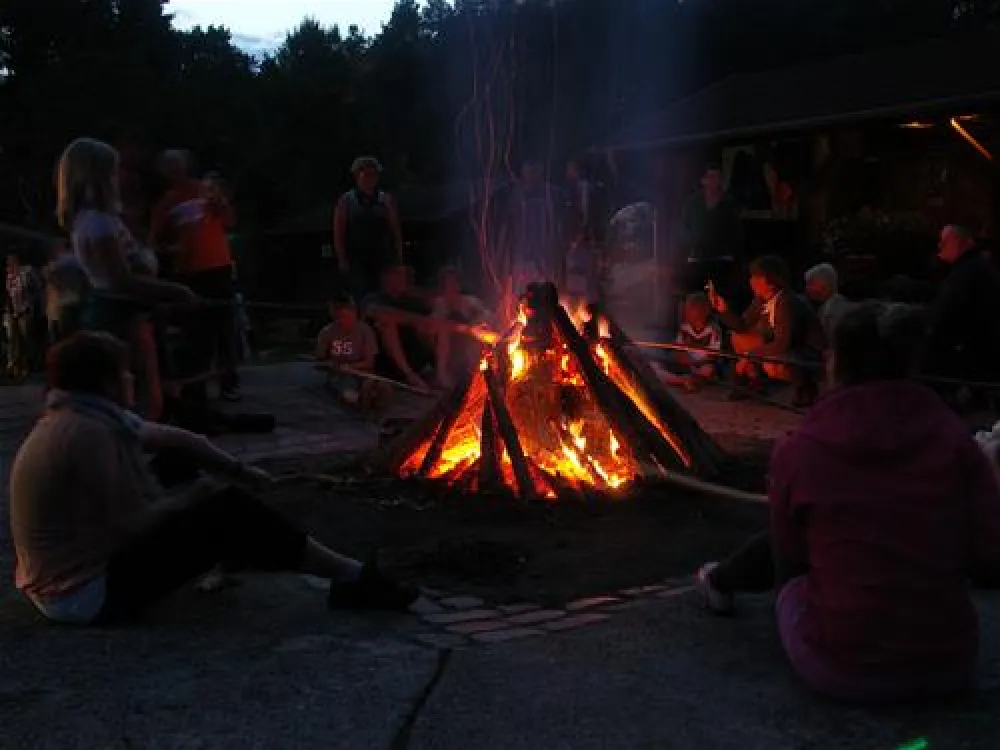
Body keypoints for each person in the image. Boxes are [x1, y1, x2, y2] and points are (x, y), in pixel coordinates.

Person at [693, 302, 1000, 704]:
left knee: (792, 550)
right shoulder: (956, 442)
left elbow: (789, 554)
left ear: (837, 364)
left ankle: (720, 581)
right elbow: (990, 556)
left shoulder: (801, 449)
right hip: (948, 664)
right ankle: (721, 578)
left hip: (840, 667)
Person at [9, 332, 418, 625]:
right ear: (105, 383)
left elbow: (179, 438)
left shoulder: (87, 415)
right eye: (125, 372)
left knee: (180, 463)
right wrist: (189, 501)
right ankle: (353, 578)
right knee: (226, 512)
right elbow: (125, 526)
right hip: (81, 594)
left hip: (78, 573)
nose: (132, 378)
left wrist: (240, 471)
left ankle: (232, 557)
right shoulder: (86, 434)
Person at [56, 138, 194, 420]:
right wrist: (176, 291)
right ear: (97, 174)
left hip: (124, 314)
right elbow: (121, 281)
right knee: (139, 398)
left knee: (145, 394)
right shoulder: (98, 222)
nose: (117, 177)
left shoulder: (96, 219)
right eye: (113, 170)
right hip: (118, 316)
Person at [151, 154, 241, 402]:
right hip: (189, 274)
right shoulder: (165, 204)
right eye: (169, 166)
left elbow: (230, 221)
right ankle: (197, 386)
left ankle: (229, 383)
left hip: (219, 268)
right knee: (197, 334)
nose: (175, 170)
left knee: (226, 328)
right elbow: (155, 243)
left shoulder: (205, 192)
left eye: (177, 164)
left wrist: (220, 204)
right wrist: (172, 250)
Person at [708, 255, 822, 407]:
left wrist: (749, 356)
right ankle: (753, 382)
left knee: (772, 364)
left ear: (771, 281)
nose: (751, 281)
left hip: (807, 353)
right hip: (787, 347)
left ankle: (805, 388)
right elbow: (742, 325)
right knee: (739, 337)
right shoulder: (762, 300)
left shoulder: (786, 302)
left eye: (756, 277)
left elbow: (783, 343)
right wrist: (723, 310)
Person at [921, 224, 1000, 391]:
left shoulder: (965, 272)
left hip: (974, 348)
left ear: (958, 242)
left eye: (944, 242)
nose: (940, 247)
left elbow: (946, 313)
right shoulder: (976, 266)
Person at [333, 157, 404, 301]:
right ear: (357, 176)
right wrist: (342, 259)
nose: (370, 179)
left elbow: (396, 231)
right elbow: (338, 233)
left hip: (383, 258)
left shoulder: (386, 200)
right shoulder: (346, 201)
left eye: (373, 175)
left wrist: (398, 258)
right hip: (357, 261)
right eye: (366, 175)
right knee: (361, 297)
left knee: (385, 297)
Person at [363, 265, 436, 390]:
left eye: (400, 278)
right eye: (392, 278)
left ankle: (439, 368)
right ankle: (409, 375)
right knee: (386, 324)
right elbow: (380, 312)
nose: (397, 282)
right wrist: (415, 320)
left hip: (415, 355)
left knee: (429, 325)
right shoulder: (373, 299)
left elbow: (434, 315)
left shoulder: (413, 302)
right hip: (386, 360)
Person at [679, 164, 744, 300]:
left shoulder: (729, 203)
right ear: (703, 180)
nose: (715, 181)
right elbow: (684, 228)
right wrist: (690, 246)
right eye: (711, 177)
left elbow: (736, 232)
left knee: (721, 298)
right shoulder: (692, 203)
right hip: (697, 260)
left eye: (718, 177)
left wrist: (735, 257)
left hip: (722, 261)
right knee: (696, 297)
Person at [315, 293, 388, 410]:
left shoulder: (365, 331)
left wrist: (350, 366)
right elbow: (319, 362)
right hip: (340, 376)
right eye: (339, 317)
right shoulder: (327, 332)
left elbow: (369, 362)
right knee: (347, 390)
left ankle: (371, 397)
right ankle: (357, 401)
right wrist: (329, 364)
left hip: (363, 373)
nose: (343, 321)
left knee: (378, 386)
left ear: (354, 312)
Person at [432, 267, 493, 389]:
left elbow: (488, 315)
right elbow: (433, 324)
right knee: (444, 328)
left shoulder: (469, 301)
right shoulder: (440, 303)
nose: (452, 287)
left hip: (468, 341)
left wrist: (475, 323)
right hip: (447, 344)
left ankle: (475, 372)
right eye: (448, 284)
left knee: (482, 330)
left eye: (454, 283)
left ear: (459, 286)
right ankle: (442, 373)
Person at [657, 292, 721, 392]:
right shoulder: (684, 328)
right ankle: (686, 379)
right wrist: (687, 360)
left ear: (704, 312)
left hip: (703, 364)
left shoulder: (713, 330)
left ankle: (689, 380)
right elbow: (678, 348)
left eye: (689, 309)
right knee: (667, 361)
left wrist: (698, 363)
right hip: (686, 363)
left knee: (708, 370)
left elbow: (713, 355)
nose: (685, 313)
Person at [43, 239, 88, 345]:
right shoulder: (79, 262)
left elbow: (52, 282)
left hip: (63, 304)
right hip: (79, 302)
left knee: (64, 337)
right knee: (77, 336)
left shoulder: (54, 266)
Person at [4, 252, 38, 378]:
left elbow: (36, 289)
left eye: (12, 260)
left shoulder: (27, 272)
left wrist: (28, 304)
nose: (10, 262)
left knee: (26, 338)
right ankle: (14, 366)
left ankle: (27, 366)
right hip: (12, 310)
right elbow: (9, 294)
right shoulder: (9, 275)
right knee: (13, 339)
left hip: (25, 309)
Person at [803, 262, 852, 343]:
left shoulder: (838, 309)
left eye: (810, 284)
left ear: (823, 284)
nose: (807, 289)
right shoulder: (824, 308)